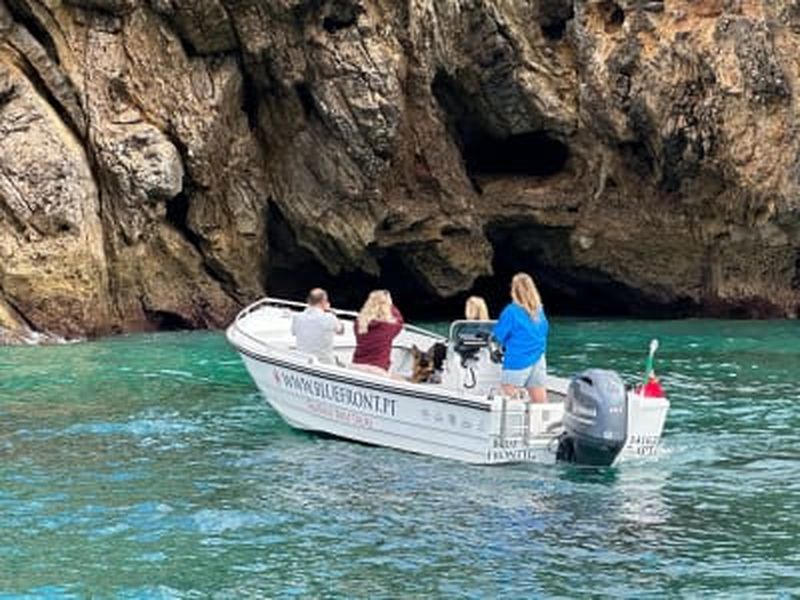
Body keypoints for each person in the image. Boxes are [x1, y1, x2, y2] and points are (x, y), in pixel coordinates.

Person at [492, 273, 549, 403]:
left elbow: (498, 336)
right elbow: (544, 331)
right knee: (540, 402)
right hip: (538, 359)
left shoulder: (511, 311)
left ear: (514, 291)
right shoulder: (539, 311)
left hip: (517, 361)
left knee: (508, 402)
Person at [352, 290, 404, 376]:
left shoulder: (359, 324)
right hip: (377, 370)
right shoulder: (388, 326)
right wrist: (391, 306)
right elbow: (400, 321)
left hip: (356, 366)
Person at [291, 288, 344, 364]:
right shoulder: (329, 318)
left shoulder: (297, 317)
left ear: (309, 301)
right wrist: (331, 312)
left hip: (302, 361)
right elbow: (341, 331)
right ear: (323, 302)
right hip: (324, 363)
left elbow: (294, 333)